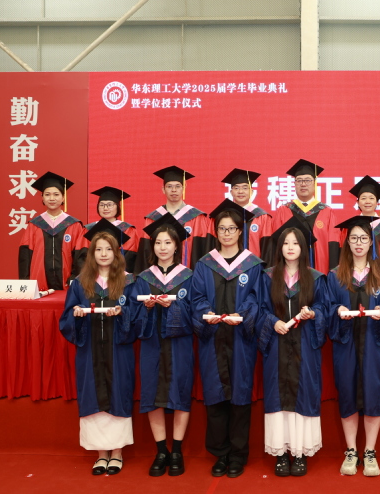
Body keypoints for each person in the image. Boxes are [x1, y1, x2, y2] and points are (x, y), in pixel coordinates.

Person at [191, 200, 265, 479]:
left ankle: (238, 454)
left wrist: (242, 315)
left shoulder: (252, 265)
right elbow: (196, 297)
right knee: (215, 395)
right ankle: (220, 454)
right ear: (216, 232)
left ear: (240, 231)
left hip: (241, 340)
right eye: (222, 228)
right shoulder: (204, 264)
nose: (226, 233)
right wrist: (206, 314)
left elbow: (257, 298)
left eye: (231, 228)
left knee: (240, 396)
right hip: (213, 339)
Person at [60, 225, 136, 476]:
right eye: (99, 249)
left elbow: (138, 317)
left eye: (108, 249)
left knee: (118, 393)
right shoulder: (80, 283)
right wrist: (76, 314)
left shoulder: (128, 281)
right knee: (92, 395)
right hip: (90, 351)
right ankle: (101, 454)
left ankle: (117, 453)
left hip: (118, 351)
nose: (103, 254)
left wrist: (123, 312)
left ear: (116, 253)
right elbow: (66, 318)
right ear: (92, 254)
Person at [257, 220, 328, 477]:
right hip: (277, 345)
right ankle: (280, 453)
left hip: (304, 346)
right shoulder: (267, 277)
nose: (290, 247)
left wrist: (314, 313)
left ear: (303, 248)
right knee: (278, 397)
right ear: (279, 247)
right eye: (286, 243)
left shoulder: (315, 278)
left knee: (303, 394)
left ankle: (299, 453)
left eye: (295, 243)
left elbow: (324, 308)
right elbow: (259, 308)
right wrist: (272, 322)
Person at [327, 215, 380, 477]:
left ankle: (370, 451)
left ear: (371, 242)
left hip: (374, 344)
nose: (358, 243)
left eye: (363, 238)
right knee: (347, 393)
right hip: (346, 345)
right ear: (347, 242)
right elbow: (327, 306)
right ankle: (351, 450)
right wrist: (337, 310)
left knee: (373, 394)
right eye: (353, 238)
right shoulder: (335, 276)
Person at [130, 213, 195, 477]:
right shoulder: (144, 278)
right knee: (152, 394)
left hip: (180, 345)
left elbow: (196, 311)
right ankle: (161, 451)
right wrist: (146, 307)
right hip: (152, 344)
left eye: (168, 242)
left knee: (180, 391)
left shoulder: (188, 276)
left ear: (177, 245)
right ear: (152, 246)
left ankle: (176, 450)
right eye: (158, 242)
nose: (163, 247)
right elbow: (133, 315)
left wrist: (175, 307)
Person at [134, 165, 212, 273]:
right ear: (163, 189)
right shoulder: (153, 219)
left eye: (178, 186)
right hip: (158, 278)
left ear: (184, 188)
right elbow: (145, 253)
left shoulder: (197, 218)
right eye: (169, 186)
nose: (174, 190)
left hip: (188, 276)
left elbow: (202, 250)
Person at [18, 171, 86, 291]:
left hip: (67, 284)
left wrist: (75, 278)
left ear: (63, 197)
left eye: (56, 194)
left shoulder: (74, 225)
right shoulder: (34, 225)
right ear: (42, 198)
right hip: (38, 285)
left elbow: (81, 256)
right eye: (47, 194)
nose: (52, 198)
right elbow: (25, 256)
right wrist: (26, 282)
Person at [270, 159, 340, 274]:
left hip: (320, 272)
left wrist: (331, 276)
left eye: (307, 180)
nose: (303, 184)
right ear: (294, 184)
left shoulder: (327, 212)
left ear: (315, 183)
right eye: (299, 180)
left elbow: (333, 247)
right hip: (289, 275)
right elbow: (276, 245)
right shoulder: (283, 211)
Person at [221, 168, 274, 264]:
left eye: (245, 188)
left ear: (252, 192)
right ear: (231, 192)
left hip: (254, 268)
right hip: (226, 267)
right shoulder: (222, 216)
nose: (240, 191)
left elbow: (268, 249)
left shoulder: (262, 217)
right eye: (236, 188)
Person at [84, 186, 140, 272]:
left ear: (117, 206)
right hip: (93, 273)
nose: (105, 208)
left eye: (109, 205)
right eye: (102, 205)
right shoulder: (88, 229)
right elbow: (83, 256)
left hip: (119, 274)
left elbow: (130, 257)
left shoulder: (128, 230)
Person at [347, 175, 380, 267]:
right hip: (355, 273)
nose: (367, 201)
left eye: (371, 198)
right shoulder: (350, 226)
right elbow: (345, 254)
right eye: (363, 198)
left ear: (377, 202)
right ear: (357, 202)